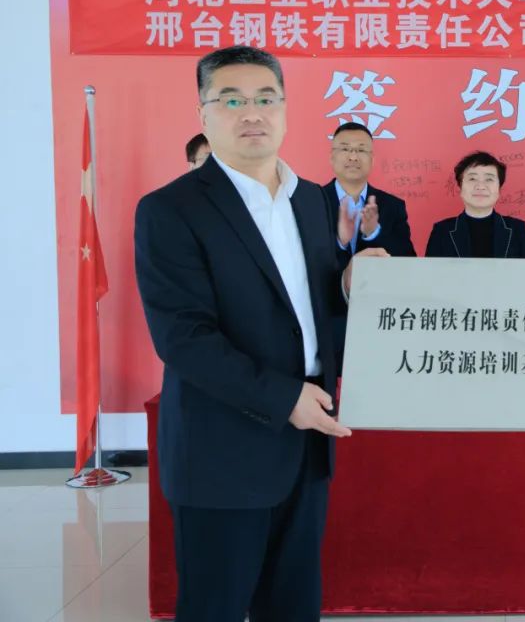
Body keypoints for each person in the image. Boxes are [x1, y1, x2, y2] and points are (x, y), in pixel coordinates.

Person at [134, 45, 380, 622]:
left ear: (285, 109)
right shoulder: (170, 210)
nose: (252, 113)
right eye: (231, 100)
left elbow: (314, 308)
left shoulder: (310, 199)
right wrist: (284, 397)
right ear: (203, 113)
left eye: (266, 99)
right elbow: (183, 337)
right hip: (222, 449)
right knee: (215, 607)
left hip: (308, 444)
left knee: (293, 605)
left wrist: (350, 288)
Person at [322, 121, 417, 257]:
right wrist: (341, 242)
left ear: (372, 160)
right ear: (332, 157)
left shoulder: (393, 207)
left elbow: (406, 260)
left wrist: (372, 234)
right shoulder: (312, 203)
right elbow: (306, 259)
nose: (353, 157)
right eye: (345, 149)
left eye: (361, 150)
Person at [426, 151, 525, 258]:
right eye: (472, 179)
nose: (480, 186)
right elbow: (430, 270)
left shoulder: (518, 230)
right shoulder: (442, 231)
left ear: (499, 188)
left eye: (489, 179)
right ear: (460, 187)